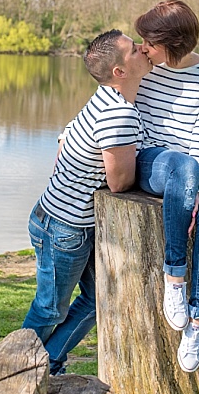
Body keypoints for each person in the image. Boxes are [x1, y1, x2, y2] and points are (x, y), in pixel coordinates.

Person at [22, 29, 152, 375]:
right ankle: (19, 371)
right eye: (134, 50)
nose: (143, 50)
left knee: (98, 299)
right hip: (66, 229)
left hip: (54, 217)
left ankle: (48, 363)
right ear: (119, 73)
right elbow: (120, 182)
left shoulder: (106, 98)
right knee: (50, 308)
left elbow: (71, 134)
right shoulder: (118, 115)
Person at [133, 0, 199, 373]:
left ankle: (198, 321)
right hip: (155, 162)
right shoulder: (145, 66)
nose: (142, 47)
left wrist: (196, 192)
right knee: (183, 166)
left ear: (172, 46)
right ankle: (174, 277)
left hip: (198, 162)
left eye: (149, 42)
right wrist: (68, 133)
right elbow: (110, 95)